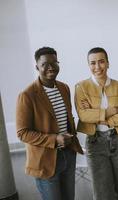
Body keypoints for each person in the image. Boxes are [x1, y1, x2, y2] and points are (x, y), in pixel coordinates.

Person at [16, 47, 83, 200]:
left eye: (54, 62)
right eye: (45, 64)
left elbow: (67, 119)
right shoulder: (27, 95)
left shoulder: (64, 88)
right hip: (44, 160)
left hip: (68, 154)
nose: (51, 67)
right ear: (37, 67)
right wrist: (54, 139)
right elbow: (22, 133)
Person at [74, 47, 118, 200]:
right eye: (93, 63)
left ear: (108, 63)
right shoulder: (81, 87)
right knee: (101, 194)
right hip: (95, 142)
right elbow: (83, 115)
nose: (97, 67)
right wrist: (108, 112)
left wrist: (97, 116)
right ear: (88, 65)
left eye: (101, 62)